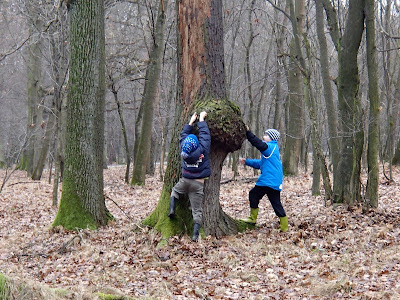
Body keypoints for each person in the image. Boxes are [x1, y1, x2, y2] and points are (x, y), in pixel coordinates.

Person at [168, 111, 211, 241]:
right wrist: (201, 121)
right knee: (197, 210)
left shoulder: (183, 151)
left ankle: (171, 209)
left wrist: (190, 123)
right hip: (198, 184)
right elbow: (205, 136)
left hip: (185, 180)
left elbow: (183, 136)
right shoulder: (203, 148)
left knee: (175, 191)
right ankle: (195, 235)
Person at [240, 127, 288, 232]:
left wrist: (248, 133)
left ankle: (252, 218)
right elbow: (260, 164)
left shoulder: (270, 147)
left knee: (253, 194)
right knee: (276, 203)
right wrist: (247, 161)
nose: (263, 137)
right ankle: (284, 226)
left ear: (272, 138)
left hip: (268, 180)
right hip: (274, 182)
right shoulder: (272, 151)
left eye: (266, 135)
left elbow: (258, 144)